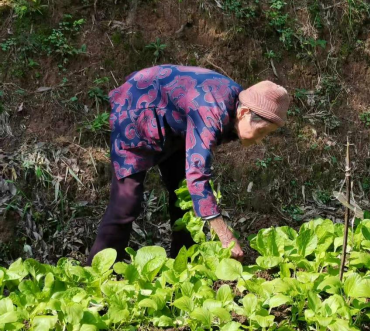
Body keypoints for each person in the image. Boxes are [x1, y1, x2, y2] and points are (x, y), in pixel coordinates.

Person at [85, 65, 290, 265]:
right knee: (127, 202)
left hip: (173, 123)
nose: (260, 140)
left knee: (183, 196)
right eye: (261, 132)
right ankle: (98, 268)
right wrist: (225, 236)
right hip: (137, 109)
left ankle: (183, 260)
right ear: (244, 112)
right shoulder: (213, 111)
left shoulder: (237, 102)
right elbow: (197, 177)